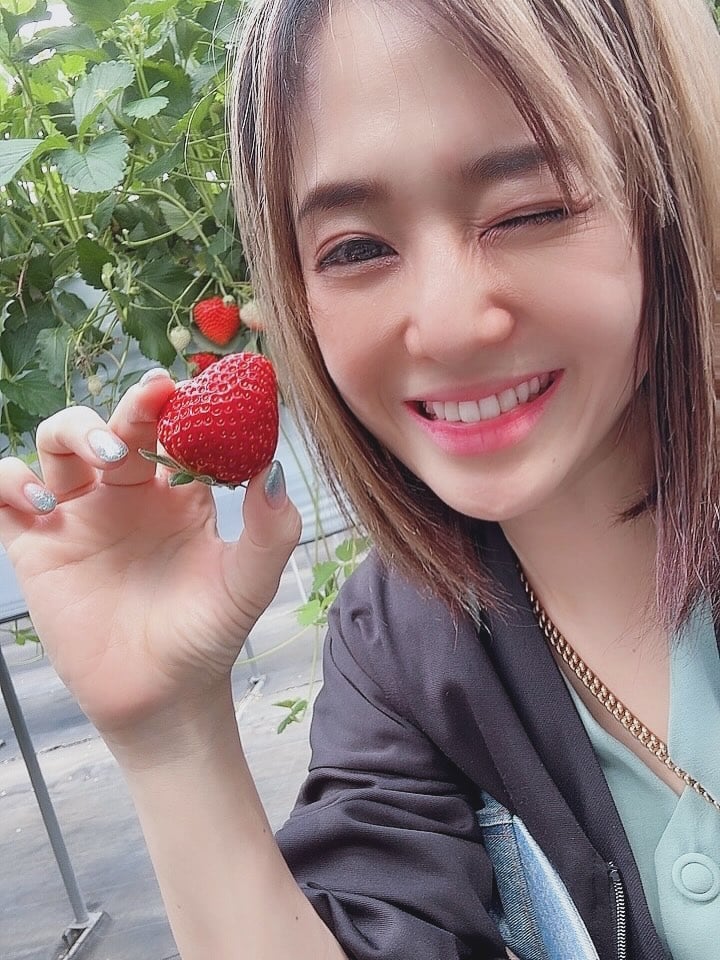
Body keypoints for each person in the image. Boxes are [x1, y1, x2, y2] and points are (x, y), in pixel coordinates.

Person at [2, 0, 719, 956]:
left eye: (533, 209)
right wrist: (171, 733)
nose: (449, 326)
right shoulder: (398, 645)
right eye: (356, 249)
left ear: (671, 195)